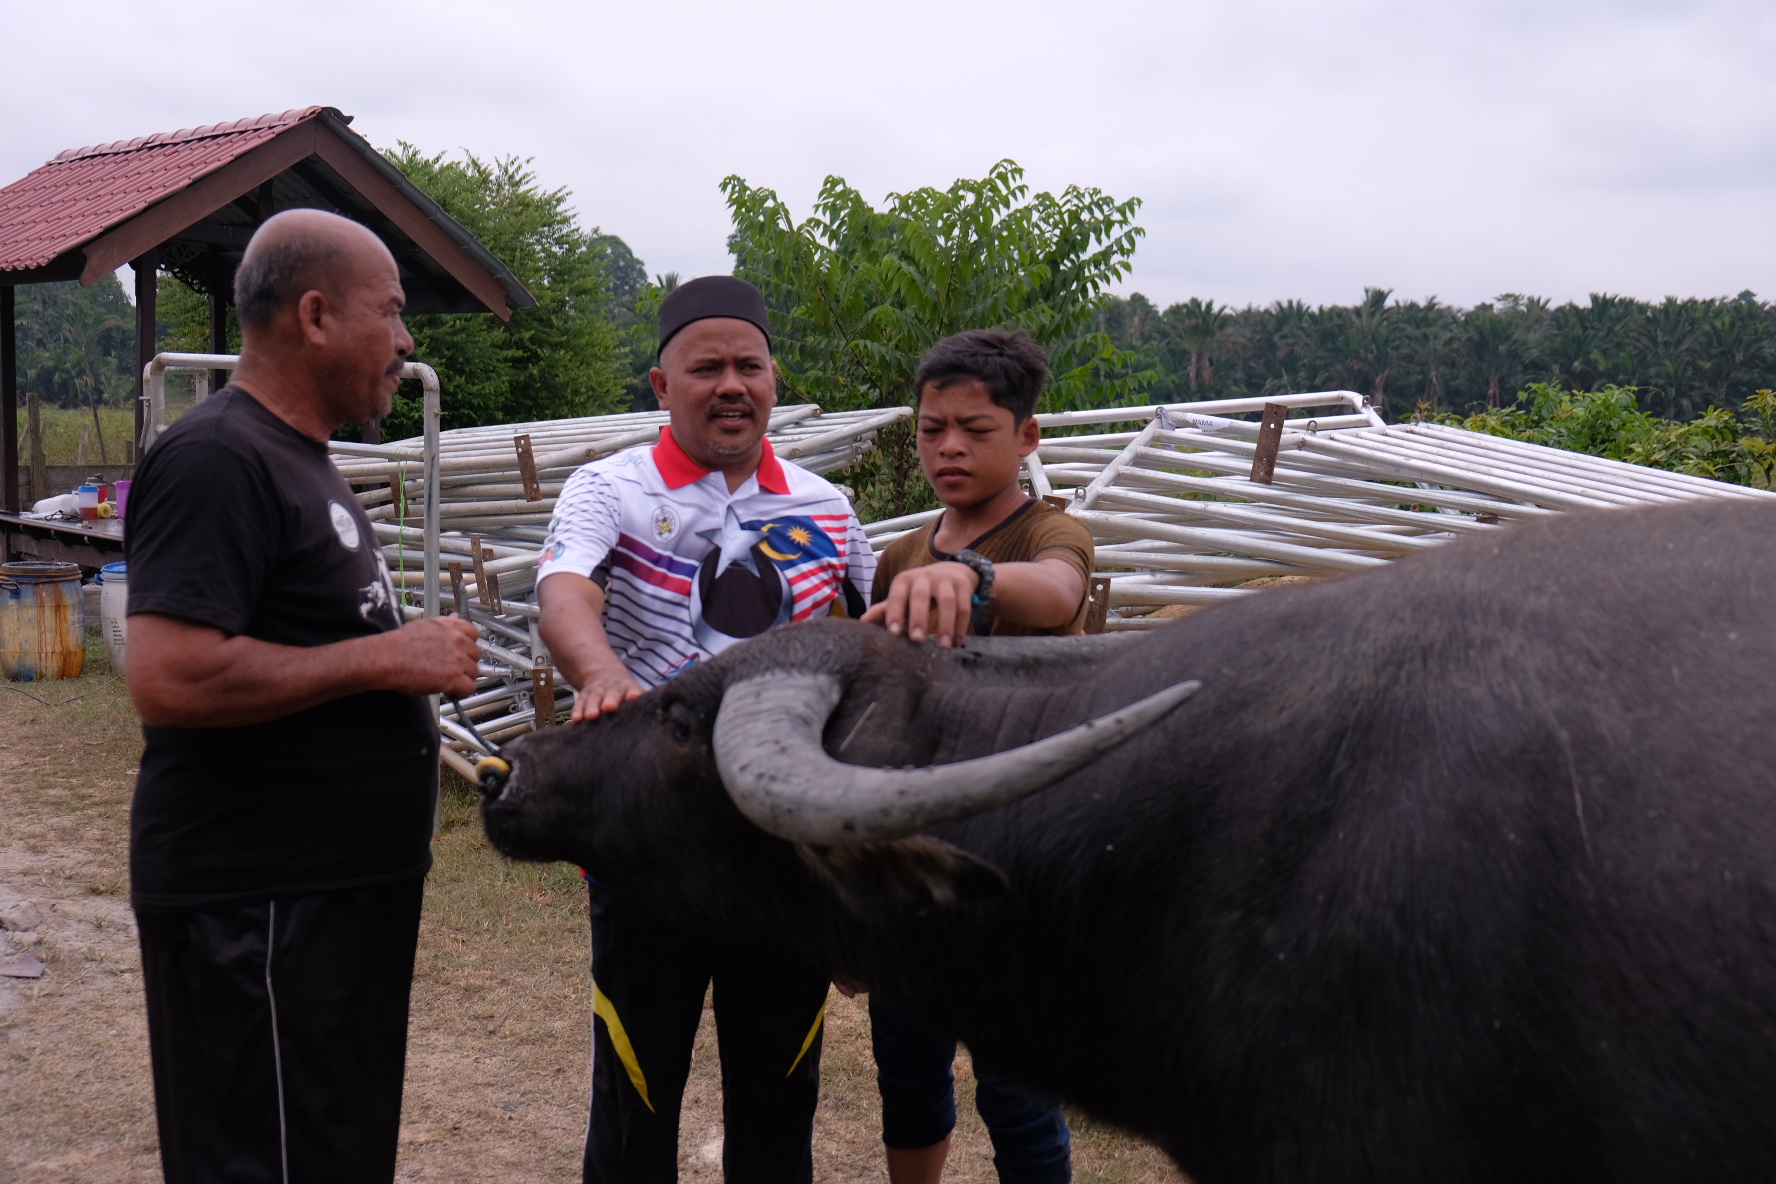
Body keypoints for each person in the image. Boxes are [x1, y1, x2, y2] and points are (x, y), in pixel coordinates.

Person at [123, 209, 482, 1184]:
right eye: (391, 311)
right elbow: (170, 673)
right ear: (315, 316)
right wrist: (386, 660)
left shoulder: (298, 459)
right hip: (261, 912)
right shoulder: (217, 458)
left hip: (327, 904)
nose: (406, 342)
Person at [535, 275, 876, 1183]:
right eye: (706, 368)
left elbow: (878, 654)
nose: (731, 385)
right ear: (661, 385)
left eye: (748, 367)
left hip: (783, 853)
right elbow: (564, 593)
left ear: (773, 378)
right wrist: (601, 673)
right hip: (650, 842)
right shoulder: (609, 488)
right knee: (636, 1095)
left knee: (780, 1097)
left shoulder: (827, 508)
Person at [861, 328, 1093, 1184]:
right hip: (911, 861)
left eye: (975, 429)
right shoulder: (899, 558)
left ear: (1027, 436)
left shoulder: (1051, 534)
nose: (949, 447)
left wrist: (973, 577)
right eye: (932, 429)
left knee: (1019, 1095)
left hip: (1019, 863)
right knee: (908, 1077)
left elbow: (1060, 591)